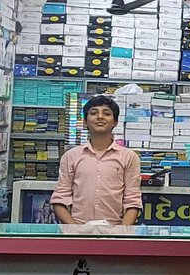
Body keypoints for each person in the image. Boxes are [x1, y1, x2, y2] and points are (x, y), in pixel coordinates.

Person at [50, 96, 142, 225]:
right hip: (78, 228)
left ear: (115, 122)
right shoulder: (71, 156)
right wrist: (75, 230)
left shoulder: (129, 157)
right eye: (93, 113)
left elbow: (133, 201)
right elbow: (60, 200)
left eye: (107, 114)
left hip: (114, 229)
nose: (100, 117)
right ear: (85, 122)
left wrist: (120, 232)